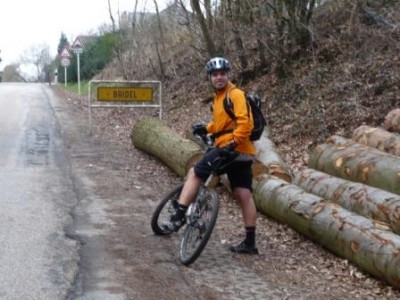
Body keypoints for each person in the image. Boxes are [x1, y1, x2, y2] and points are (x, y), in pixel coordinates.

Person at [162, 57, 258, 255]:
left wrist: (232, 143)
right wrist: (206, 127)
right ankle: (250, 243)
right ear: (210, 78)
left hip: (231, 148)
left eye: (222, 73)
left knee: (196, 173)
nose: (219, 77)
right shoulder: (219, 98)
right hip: (243, 153)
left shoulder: (236, 94)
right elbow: (221, 125)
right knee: (243, 194)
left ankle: (178, 216)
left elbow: (245, 124)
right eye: (215, 75)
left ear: (228, 74)